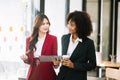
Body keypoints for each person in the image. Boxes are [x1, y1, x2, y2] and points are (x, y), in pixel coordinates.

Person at [53, 11, 96, 80]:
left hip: (77, 77)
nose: (68, 26)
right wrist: (57, 62)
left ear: (80, 26)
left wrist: (74, 65)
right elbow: (64, 56)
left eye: (72, 25)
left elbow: (92, 64)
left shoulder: (88, 43)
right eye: (68, 24)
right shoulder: (64, 38)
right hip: (62, 77)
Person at [20, 13, 58, 80]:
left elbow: (55, 60)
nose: (46, 26)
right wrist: (25, 59)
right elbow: (29, 61)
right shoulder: (29, 39)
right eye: (43, 24)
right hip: (33, 74)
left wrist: (56, 63)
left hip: (48, 74)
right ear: (37, 25)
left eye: (47, 23)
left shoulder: (53, 39)